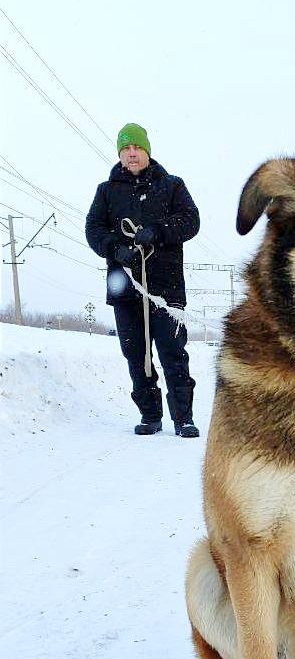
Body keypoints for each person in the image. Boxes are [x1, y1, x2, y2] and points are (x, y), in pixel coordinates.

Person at [86, 123, 200, 438]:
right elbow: (93, 228)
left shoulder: (172, 185)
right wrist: (114, 248)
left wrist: (159, 232)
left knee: (172, 352)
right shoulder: (106, 191)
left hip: (166, 288)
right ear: (120, 153)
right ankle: (150, 415)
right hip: (125, 287)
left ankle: (183, 418)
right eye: (126, 148)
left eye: (137, 148)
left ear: (146, 150)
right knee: (135, 354)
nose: (132, 153)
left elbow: (191, 221)